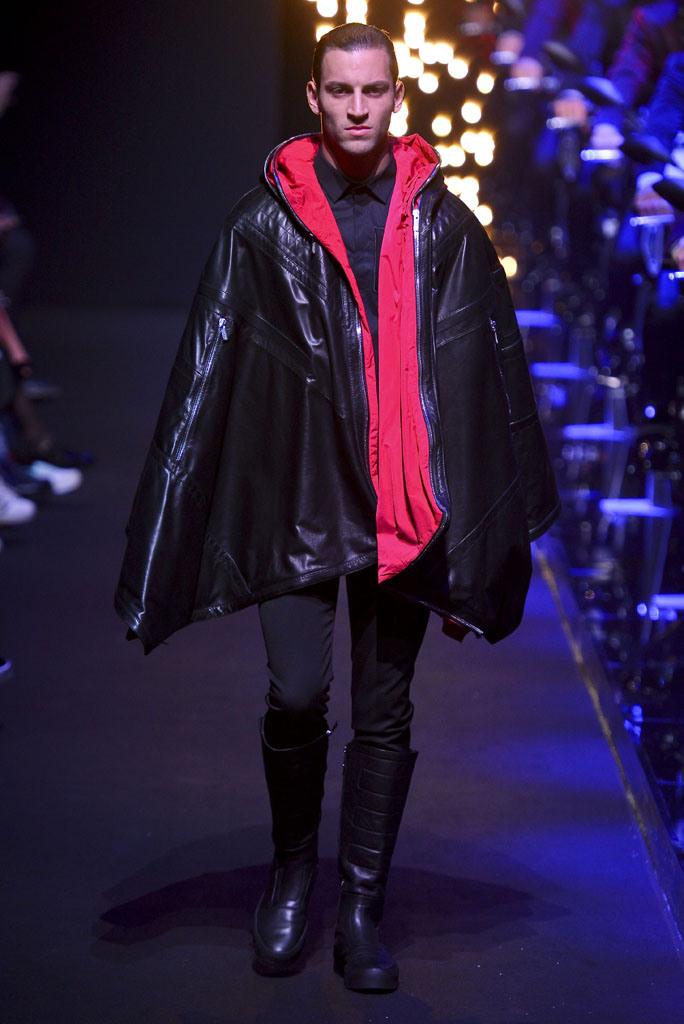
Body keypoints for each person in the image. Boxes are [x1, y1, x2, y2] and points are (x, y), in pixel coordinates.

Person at [115, 23, 559, 993]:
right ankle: (290, 874)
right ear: (314, 98)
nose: (358, 108)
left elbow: (487, 374)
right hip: (298, 497)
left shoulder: (443, 225)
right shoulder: (261, 224)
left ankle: (360, 904)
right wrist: (165, 529)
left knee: (385, 708)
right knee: (297, 692)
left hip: (402, 506)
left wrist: (487, 529)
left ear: (397, 96)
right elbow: (207, 370)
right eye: (341, 91)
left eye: (374, 91)